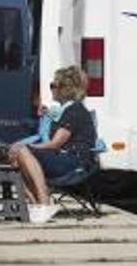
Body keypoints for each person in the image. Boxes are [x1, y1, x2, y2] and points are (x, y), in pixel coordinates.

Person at [8, 66, 98, 223]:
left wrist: (30, 148)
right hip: (65, 158)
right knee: (15, 157)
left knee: (22, 151)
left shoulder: (75, 111)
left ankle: (44, 201)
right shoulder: (66, 110)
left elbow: (55, 144)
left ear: (65, 89)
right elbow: (53, 122)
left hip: (74, 162)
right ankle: (36, 204)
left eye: (53, 86)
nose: (51, 89)